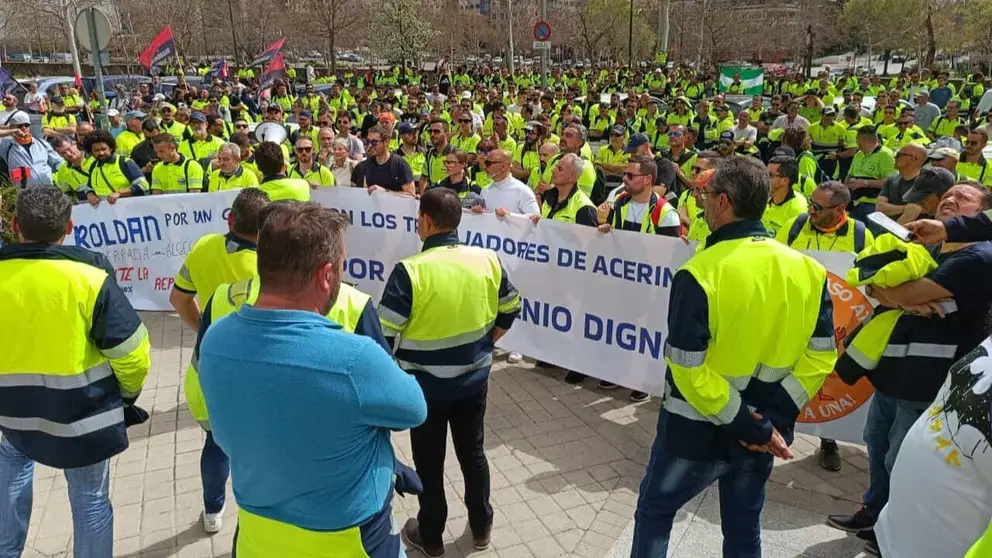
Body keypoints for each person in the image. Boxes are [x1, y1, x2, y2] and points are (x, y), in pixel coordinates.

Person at [631, 156, 836, 557]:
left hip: (695, 431)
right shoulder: (809, 270)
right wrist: (769, 422)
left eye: (706, 196)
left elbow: (687, 368)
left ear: (723, 202)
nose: (703, 203)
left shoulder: (701, 272)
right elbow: (820, 357)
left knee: (655, 512)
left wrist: (750, 423)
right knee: (743, 527)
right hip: (763, 434)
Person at [198, 201, 427, 556]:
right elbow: (414, 409)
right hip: (348, 538)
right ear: (325, 275)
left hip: (257, 534)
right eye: (342, 265)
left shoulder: (216, 339)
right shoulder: (354, 358)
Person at [828, 181, 992, 556]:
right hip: (896, 370)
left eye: (964, 198)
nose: (951, 199)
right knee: (878, 442)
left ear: (983, 214)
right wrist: (897, 294)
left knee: (900, 457)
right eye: (948, 195)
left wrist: (901, 296)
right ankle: (872, 512)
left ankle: (891, 529)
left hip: (928, 382)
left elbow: (905, 293)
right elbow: (871, 279)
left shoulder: (979, 257)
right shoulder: (928, 248)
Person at [0, 186, 151, 557]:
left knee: (8, 491)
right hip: (83, 419)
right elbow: (132, 355)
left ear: (14, 224)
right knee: (91, 504)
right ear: (68, 227)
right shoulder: (90, 275)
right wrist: (124, 398)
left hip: (10, 417)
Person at [377, 188, 522, 557]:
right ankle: (481, 527)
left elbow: (383, 335)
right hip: (474, 381)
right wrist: (487, 342)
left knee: (429, 461)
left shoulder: (410, 271)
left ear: (425, 221)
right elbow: (511, 306)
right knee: (473, 453)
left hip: (424, 389)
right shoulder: (487, 259)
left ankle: (431, 536)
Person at [596, 155, 680, 402]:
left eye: (630, 176)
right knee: (619, 328)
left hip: (650, 286)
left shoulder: (666, 213)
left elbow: (669, 254)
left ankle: (644, 380)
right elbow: (610, 235)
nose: (624, 179)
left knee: (646, 332)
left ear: (647, 179)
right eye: (624, 174)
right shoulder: (619, 202)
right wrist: (604, 228)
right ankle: (618, 373)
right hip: (623, 281)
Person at [81, 129, 149, 206]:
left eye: (103, 149)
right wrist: (90, 195)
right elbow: (90, 188)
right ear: (91, 152)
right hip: (107, 214)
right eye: (96, 150)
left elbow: (143, 185)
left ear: (111, 148)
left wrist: (120, 193)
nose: (101, 153)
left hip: (130, 210)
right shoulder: (93, 166)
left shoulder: (124, 162)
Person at [0, 111, 64, 188]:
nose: (23, 128)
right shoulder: (6, 146)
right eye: (19, 126)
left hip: (49, 188)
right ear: (12, 128)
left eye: (26, 125)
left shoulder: (41, 143)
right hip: (25, 193)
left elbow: (58, 162)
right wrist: (11, 131)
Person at [477, 149, 540, 216]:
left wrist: (509, 215)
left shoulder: (522, 191)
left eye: (488, 163)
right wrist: (478, 211)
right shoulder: (485, 190)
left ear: (503, 166)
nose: (485, 167)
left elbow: (535, 218)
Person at [875, 143, 928, 223]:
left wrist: (892, 209)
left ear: (912, 159)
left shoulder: (926, 184)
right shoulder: (891, 178)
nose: (894, 157)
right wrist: (905, 208)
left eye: (899, 154)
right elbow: (879, 207)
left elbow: (912, 214)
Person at [762, 155, 809, 238]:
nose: (764, 178)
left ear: (784, 181)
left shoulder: (798, 209)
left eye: (770, 175)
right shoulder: (763, 199)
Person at [362, 125, 416, 195]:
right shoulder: (368, 163)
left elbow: (411, 195)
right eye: (368, 141)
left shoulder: (399, 165)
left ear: (386, 142)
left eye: (374, 142)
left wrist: (385, 192)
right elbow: (366, 190)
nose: (370, 145)